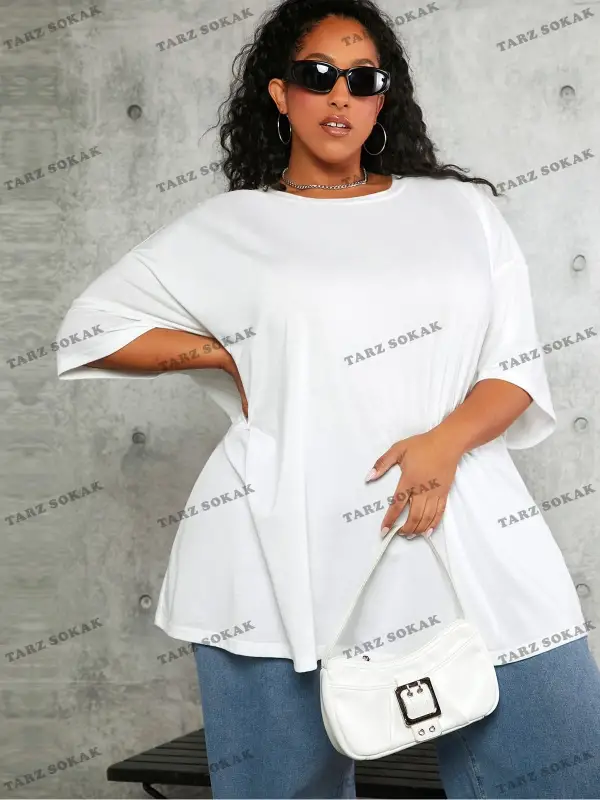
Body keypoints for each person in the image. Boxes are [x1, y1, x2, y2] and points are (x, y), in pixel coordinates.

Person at [55, 0, 600, 797]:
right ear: (281, 94)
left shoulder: (461, 212)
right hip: (269, 545)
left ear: (383, 99)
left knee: (564, 766)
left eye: (361, 79)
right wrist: (222, 354)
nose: (339, 94)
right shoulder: (234, 227)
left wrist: (443, 445)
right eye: (317, 75)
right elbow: (91, 328)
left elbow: (514, 368)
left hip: (465, 518)